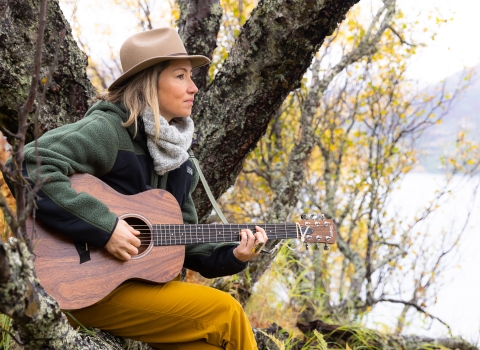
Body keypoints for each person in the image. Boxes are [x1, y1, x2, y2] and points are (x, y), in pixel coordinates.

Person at [18, 27, 267, 349]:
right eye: (180, 76)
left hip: (132, 290)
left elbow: (183, 238)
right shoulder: (109, 130)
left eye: (191, 77)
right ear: (150, 82)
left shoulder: (179, 159)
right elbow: (31, 164)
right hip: (77, 284)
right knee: (226, 312)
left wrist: (233, 255)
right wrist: (106, 228)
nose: (193, 87)